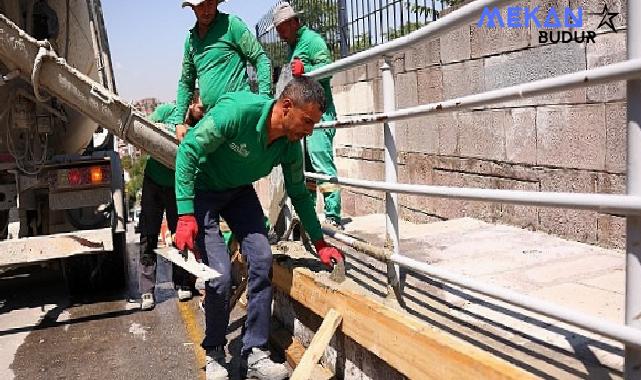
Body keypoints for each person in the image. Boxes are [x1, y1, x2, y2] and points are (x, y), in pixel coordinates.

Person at [174, 77, 344, 380]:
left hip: (239, 193)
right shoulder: (238, 113)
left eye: (313, 124)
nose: (309, 131)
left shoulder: (289, 147)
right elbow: (188, 150)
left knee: (263, 260)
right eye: (307, 121)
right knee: (220, 276)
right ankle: (213, 351)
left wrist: (320, 243)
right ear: (286, 107)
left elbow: (299, 194)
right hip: (204, 191)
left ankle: (254, 353)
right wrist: (186, 214)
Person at [273, 2, 342, 228]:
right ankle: (308, 216)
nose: (280, 33)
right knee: (308, 167)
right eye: (277, 28)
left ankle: (333, 217)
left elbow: (328, 71)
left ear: (295, 22)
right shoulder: (293, 47)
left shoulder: (312, 41)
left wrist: (307, 73)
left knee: (321, 160)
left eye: (283, 26)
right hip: (302, 117)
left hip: (319, 113)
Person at [167, 0, 272, 134]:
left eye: (210, 3)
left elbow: (260, 58)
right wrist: (179, 122)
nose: (206, 10)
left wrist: (264, 101)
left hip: (240, 114)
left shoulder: (231, 25)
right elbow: (186, 82)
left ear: (217, 3)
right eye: (201, 5)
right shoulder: (191, 40)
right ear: (193, 7)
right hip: (214, 120)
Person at [138, 98, 203, 311]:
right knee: (149, 234)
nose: (203, 113)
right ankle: (147, 290)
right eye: (201, 108)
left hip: (178, 186)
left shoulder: (200, 126)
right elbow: (144, 132)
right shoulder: (167, 111)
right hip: (153, 182)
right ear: (192, 103)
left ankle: (182, 282)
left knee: (180, 234)